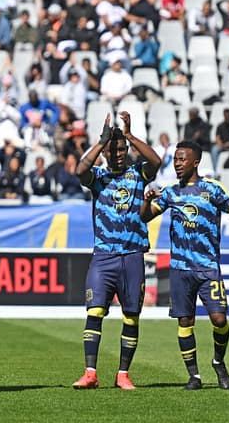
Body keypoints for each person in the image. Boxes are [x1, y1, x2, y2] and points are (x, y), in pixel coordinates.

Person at [140, 140, 229, 391]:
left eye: (182, 160)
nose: (177, 164)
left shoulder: (211, 189)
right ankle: (194, 376)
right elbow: (146, 216)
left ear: (196, 162)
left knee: (219, 319)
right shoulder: (170, 191)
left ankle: (218, 361)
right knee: (185, 322)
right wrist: (146, 200)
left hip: (208, 266)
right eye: (176, 160)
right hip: (180, 268)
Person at [72, 111, 162, 390]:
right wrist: (101, 142)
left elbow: (156, 162)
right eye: (114, 150)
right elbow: (79, 171)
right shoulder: (97, 177)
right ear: (105, 153)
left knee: (131, 315)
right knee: (95, 312)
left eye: (122, 149)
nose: (118, 154)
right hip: (104, 256)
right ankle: (90, 373)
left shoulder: (138, 174)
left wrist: (131, 134)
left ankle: (123, 374)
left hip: (133, 255)